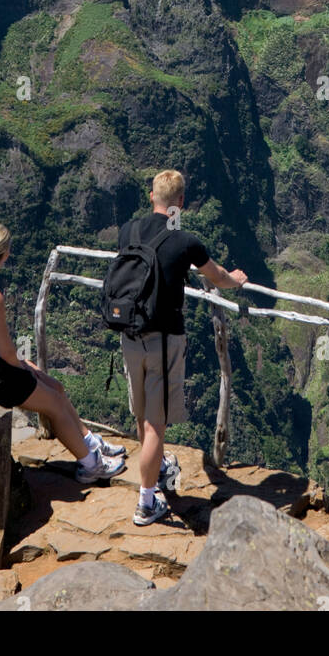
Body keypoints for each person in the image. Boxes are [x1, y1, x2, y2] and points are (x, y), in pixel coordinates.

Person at [118, 170, 248, 526]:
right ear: (181, 203)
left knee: (142, 412)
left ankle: (156, 466)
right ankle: (146, 502)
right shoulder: (185, 241)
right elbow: (216, 275)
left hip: (129, 334)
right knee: (155, 424)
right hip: (163, 339)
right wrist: (234, 281)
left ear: (150, 197)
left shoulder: (127, 231)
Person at [0, 222, 126, 484]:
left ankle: (92, 443)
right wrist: (25, 368)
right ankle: (92, 466)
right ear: (5, 254)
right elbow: (6, 352)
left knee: (56, 387)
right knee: (54, 404)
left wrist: (29, 368)